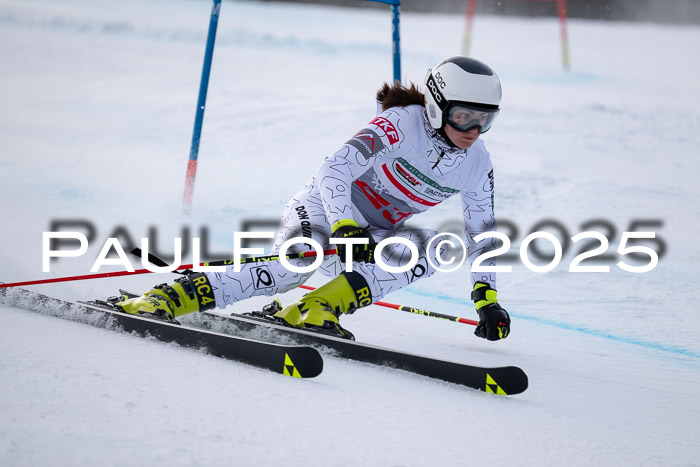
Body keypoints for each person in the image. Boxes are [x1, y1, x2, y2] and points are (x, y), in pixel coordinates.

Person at [115, 56, 511, 342]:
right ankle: (165, 298)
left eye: (485, 119)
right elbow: (333, 170)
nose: (474, 130)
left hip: (372, 234)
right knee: (294, 267)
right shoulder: (401, 123)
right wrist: (343, 225)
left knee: (436, 247)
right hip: (325, 209)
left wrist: (486, 298)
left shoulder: (477, 164)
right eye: (464, 116)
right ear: (436, 106)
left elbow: (482, 232)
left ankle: (316, 309)